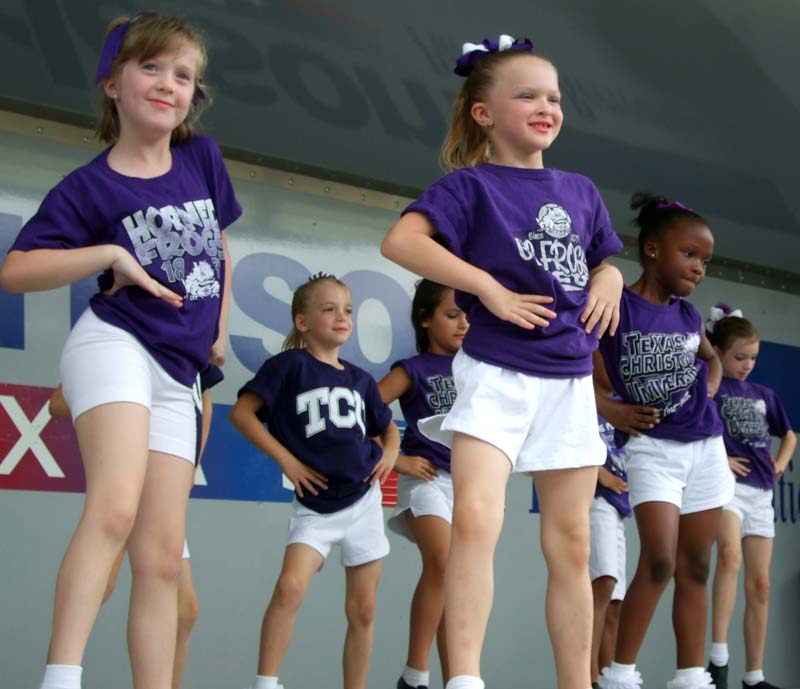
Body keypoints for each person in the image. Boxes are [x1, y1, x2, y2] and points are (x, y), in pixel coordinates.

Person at [0, 12, 242, 689]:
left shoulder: (202, 158)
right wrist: (107, 252)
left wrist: (218, 327)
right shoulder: (89, 186)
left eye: (184, 74)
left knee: (162, 554)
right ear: (112, 84)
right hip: (116, 342)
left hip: (179, 368)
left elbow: (220, 243)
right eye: (152, 68)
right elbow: (16, 269)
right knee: (113, 506)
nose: (170, 84)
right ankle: (61, 677)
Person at [381, 33, 624, 689]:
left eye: (553, 95)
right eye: (527, 95)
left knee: (572, 543)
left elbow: (604, 260)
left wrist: (610, 281)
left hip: (569, 380)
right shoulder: (470, 186)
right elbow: (402, 240)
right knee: (477, 521)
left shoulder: (579, 187)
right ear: (484, 113)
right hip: (496, 374)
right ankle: (464, 677)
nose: (546, 105)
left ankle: (577, 680)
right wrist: (485, 286)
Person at [229, 274, 400, 689]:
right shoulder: (287, 367)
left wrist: (391, 454)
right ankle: (266, 683)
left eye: (347, 310)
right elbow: (242, 414)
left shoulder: (360, 379)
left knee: (363, 610)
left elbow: (387, 428)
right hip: (315, 504)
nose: (341, 317)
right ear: (302, 321)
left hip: (364, 502)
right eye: (329, 309)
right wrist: (287, 461)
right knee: (290, 588)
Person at [594, 194, 735, 689]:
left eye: (705, 260)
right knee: (658, 559)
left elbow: (712, 360)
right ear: (652, 250)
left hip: (706, 447)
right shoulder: (618, 307)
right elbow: (578, 378)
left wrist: (712, 384)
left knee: (696, 564)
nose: (698, 268)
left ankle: (692, 676)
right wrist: (609, 408)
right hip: (653, 449)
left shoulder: (689, 316)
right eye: (690, 254)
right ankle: (618, 674)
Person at [47, 362, 224, 689]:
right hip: (130, 476)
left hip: (164, 490)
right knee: (104, 583)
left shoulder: (195, 349)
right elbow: (58, 402)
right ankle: (61, 674)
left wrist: (191, 463)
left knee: (185, 610)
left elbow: (206, 401)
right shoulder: (132, 340)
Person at [379, 279, 468, 689]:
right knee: (444, 563)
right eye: (452, 315)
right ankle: (415, 675)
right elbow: (359, 413)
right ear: (425, 319)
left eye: (468, 315)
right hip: (427, 479)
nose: (463, 323)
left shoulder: (478, 368)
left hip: (467, 487)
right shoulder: (411, 369)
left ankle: (458, 679)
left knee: (457, 582)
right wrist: (396, 460)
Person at [706, 307, 796, 689]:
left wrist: (780, 462)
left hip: (761, 491)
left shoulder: (765, 394)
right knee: (729, 557)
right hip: (728, 488)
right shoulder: (711, 386)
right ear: (718, 352)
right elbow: (698, 428)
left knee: (760, 584)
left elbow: (790, 434)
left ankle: (754, 675)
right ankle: (718, 656)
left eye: (753, 358)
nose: (747, 365)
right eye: (739, 357)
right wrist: (720, 457)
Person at [589, 411, 632, 688]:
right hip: (593, 498)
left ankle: (609, 680)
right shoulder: (580, 391)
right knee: (603, 584)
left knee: (615, 602)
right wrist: (599, 472)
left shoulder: (623, 403)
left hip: (618, 504)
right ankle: (588, 676)